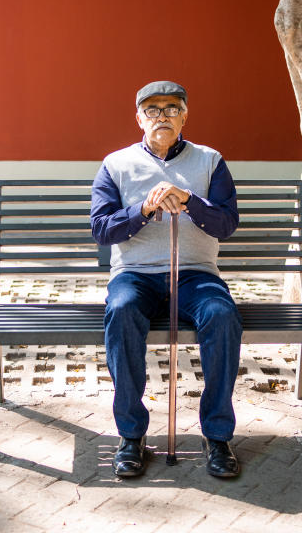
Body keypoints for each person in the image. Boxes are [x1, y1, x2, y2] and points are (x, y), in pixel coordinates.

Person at [90, 80, 242, 478]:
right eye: (152, 110)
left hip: (194, 274)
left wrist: (190, 201)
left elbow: (226, 224)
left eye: (172, 109)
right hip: (135, 276)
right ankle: (130, 435)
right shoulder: (116, 164)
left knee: (222, 316)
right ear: (139, 117)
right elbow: (102, 229)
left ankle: (218, 435)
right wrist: (143, 208)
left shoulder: (209, 161)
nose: (162, 116)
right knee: (120, 311)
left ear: (185, 115)